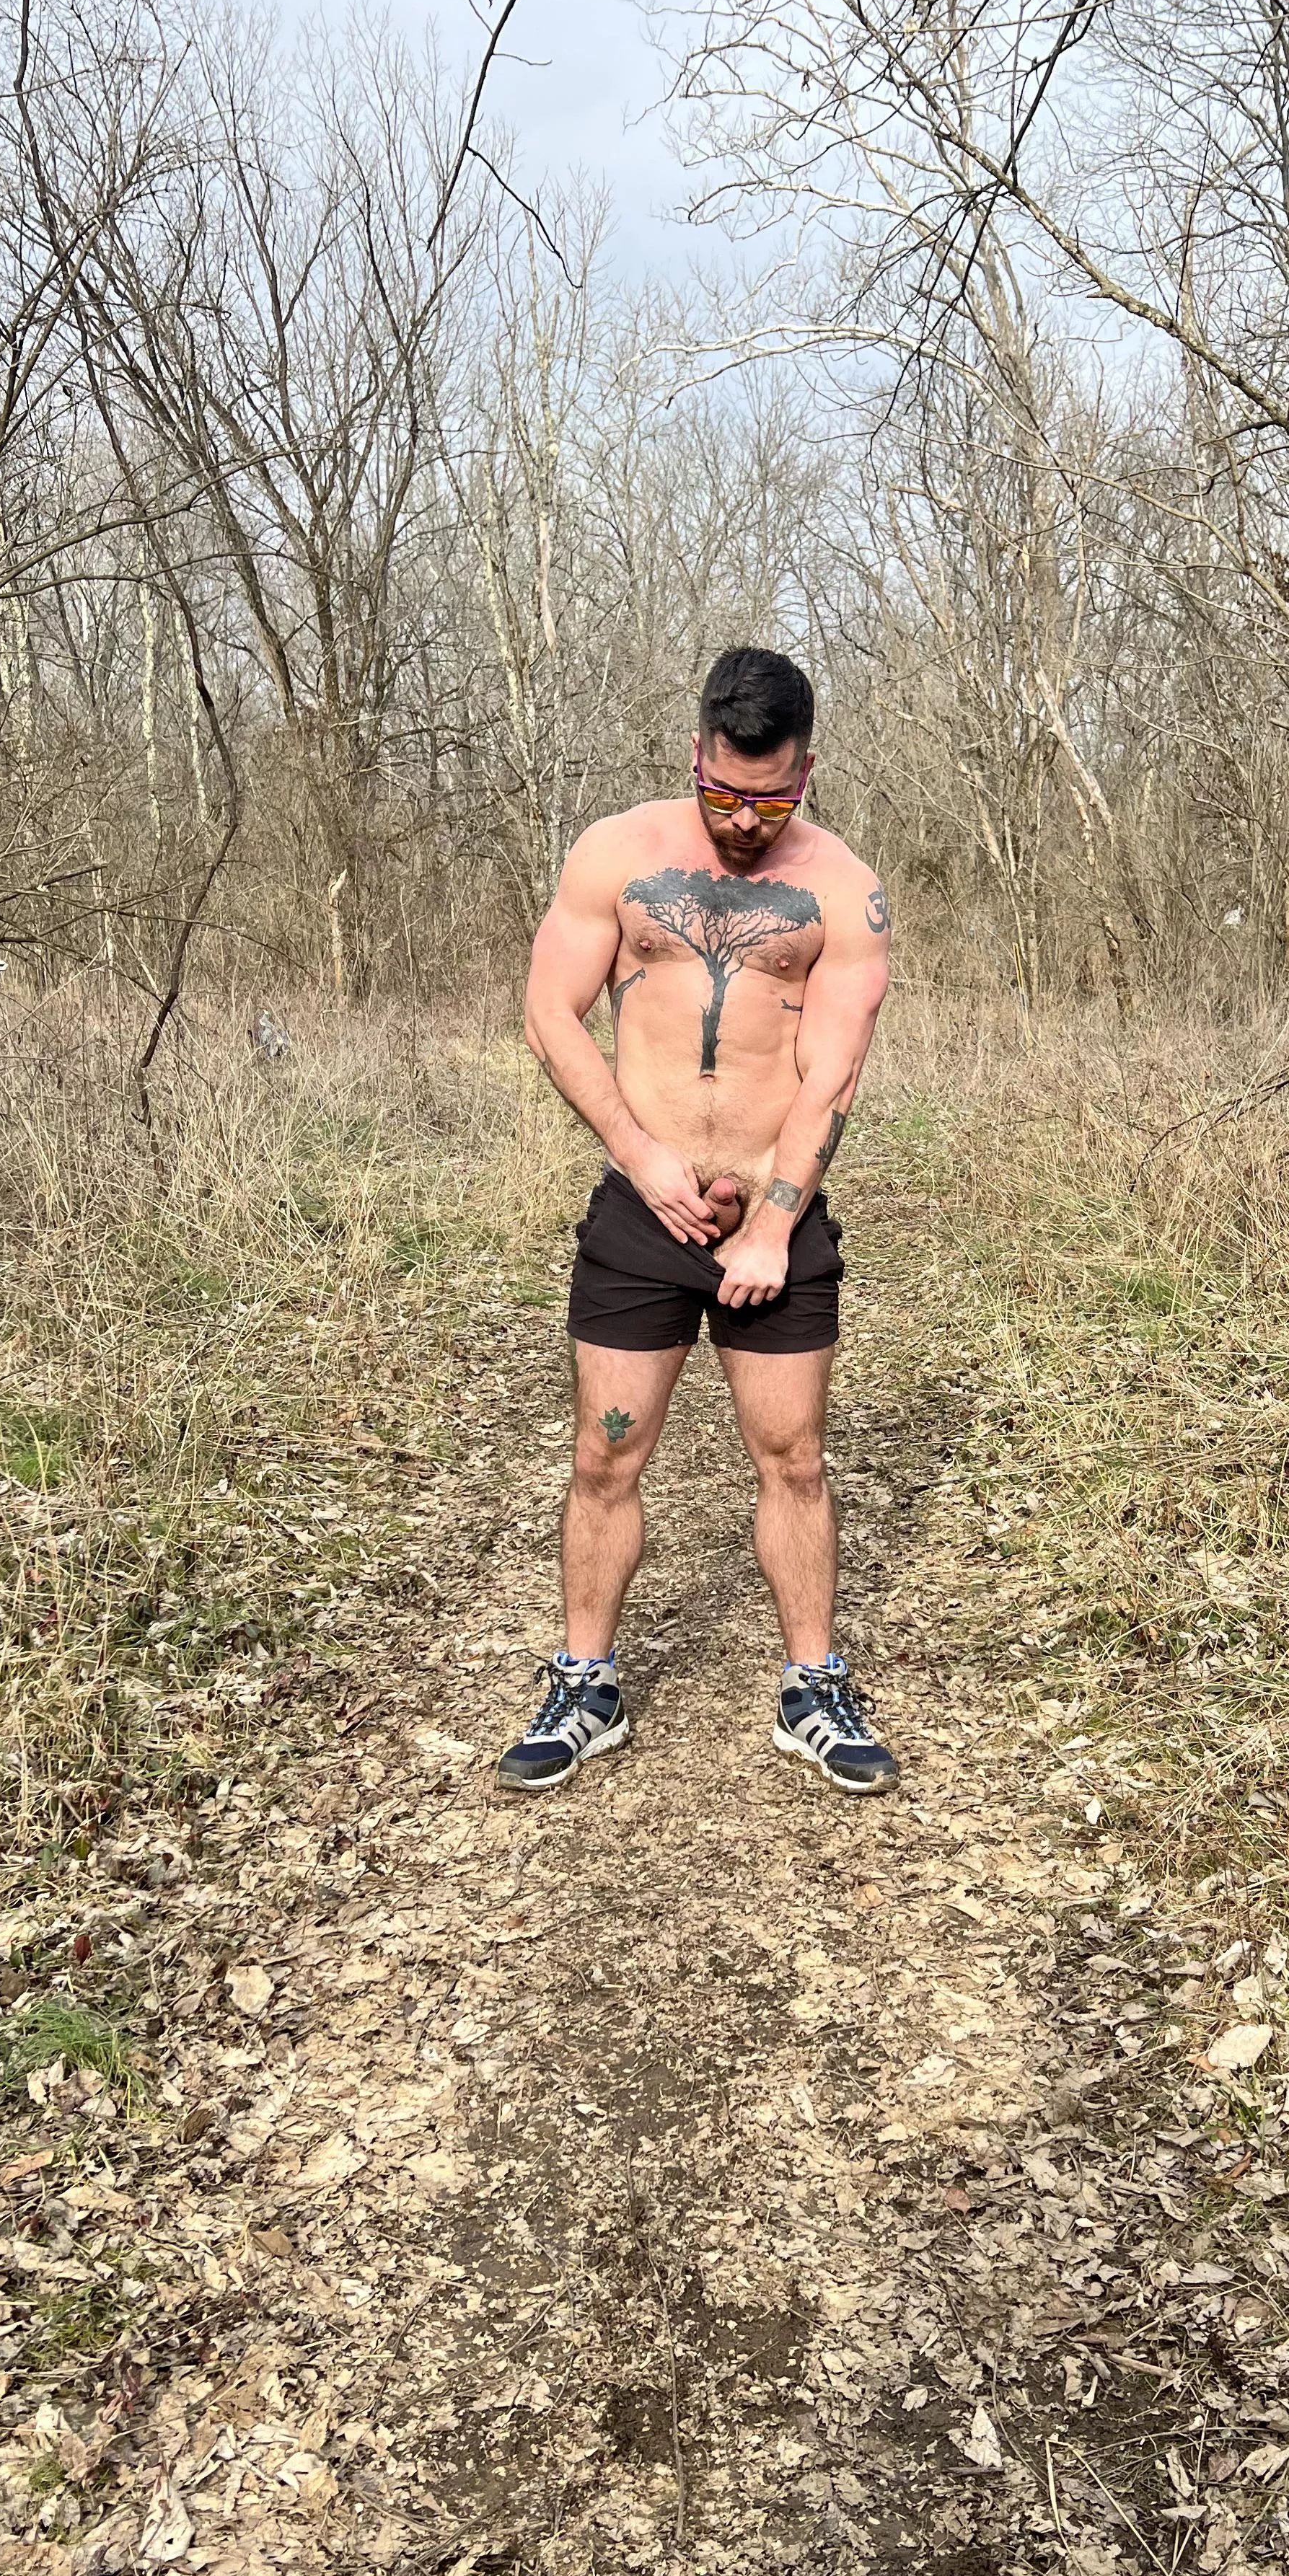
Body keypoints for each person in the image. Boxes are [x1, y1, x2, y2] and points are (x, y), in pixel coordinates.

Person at [498, 646, 898, 1796]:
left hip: (779, 1216)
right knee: (604, 1454)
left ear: (808, 773)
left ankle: (812, 1686)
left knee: (796, 1458)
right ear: (696, 753)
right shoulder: (618, 855)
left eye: (770, 800)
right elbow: (550, 1010)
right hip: (642, 1212)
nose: (743, 820)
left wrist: (775, 1219)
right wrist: (642, 1156)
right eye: (725, 794)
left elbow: (832, 1072)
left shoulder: (840, 888)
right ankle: (586, 1681)